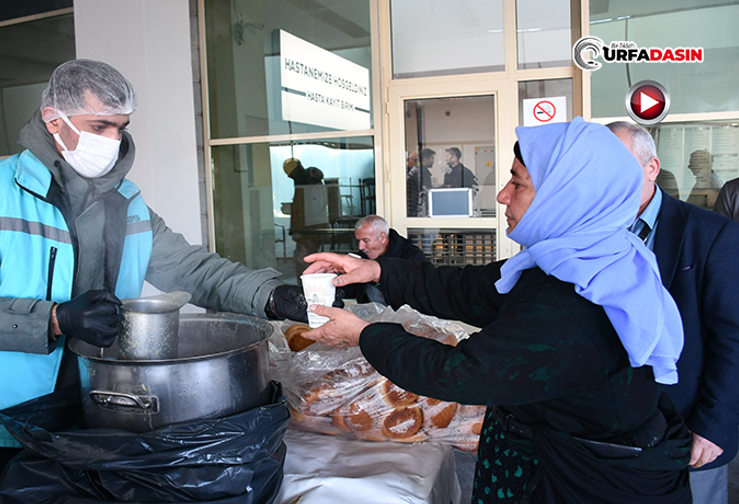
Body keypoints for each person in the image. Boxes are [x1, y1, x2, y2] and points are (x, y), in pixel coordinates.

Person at [0, 59, 308, 504]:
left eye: (120, 127)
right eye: (99, 126)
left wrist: (272, 296)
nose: (113, 140)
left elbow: (192, 269)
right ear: (53, 120)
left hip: (86, 419)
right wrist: (56, 319)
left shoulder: (126, 201)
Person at [301, 118, 692, 503]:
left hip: (583, 480)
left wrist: (360, 334)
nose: (502, 195)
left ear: (566, 195)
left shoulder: (573, 303)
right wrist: (378, 268)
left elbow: (459, 373)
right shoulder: (581, 258)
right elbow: (467, 288)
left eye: (518, 183)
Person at [609, 121, 739, 504]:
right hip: (604, 434)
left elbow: (732, 338)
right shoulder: (587, 232)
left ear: (651, 168)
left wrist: (714, 425)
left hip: (685, 430)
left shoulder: (711, 235)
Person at [345, 215, 426, 304]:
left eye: (366, 240)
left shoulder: (412, 257)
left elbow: (421, 296)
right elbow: (350, 292)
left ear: (382, 238)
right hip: (369, 315)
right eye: (358, 241)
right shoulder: (363, 256)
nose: (360, 247)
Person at [283, 157, 326, 273]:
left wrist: (300, 229)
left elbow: (313, 208)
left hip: (309, 230)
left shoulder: (308, 184)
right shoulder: (305, 183)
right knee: (306, 258)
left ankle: (305, 285)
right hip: (308, 229)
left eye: (291, 174)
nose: (290, 177)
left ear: (297, 170)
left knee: (305, 259)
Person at [406, 148, 434, 217]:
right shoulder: (420, 173)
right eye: (432, 158)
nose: (433, 161)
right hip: (415, 210)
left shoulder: (418, 171)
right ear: (425, 159)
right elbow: (425, 191)